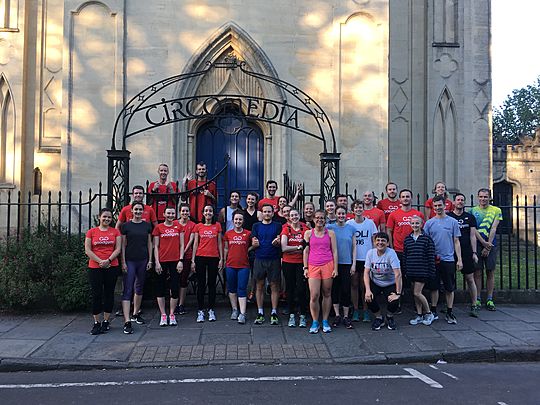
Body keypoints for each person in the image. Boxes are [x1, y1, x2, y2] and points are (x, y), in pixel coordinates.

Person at [424, 195, 463, 324]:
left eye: (440, 205)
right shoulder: (429, 223)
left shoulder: (453, 222)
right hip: (434, 260)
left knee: (449, 287)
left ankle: (450, 311)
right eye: (435, 206)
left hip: (448, 259)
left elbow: (456, 241)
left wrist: (459, 259)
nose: (437, 208)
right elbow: (426, 242)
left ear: (444, 205)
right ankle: (434, 310)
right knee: (434, 287)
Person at [85, 208, 122, 335]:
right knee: (96, 294)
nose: (107, 219)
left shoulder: (115, 232)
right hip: (95, 266)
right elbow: (88, 250)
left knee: (109, 293)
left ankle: (106, 321)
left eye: (109, 218)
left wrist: (108, 260)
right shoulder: (91, 232)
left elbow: (118, 249)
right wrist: (100, 261)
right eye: (104, 217)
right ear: (99, 217)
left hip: (112, 266)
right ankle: (96, 322)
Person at [120, 202, 153, 334]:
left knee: (139, 287)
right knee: (128, 288)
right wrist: (123, 261)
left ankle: (135, 313)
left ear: (143, 211)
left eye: (140, 209)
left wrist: (150, 260)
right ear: (132, 211)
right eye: (136, 209)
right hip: (130, 259)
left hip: (143, 259)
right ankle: (127, 321)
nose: (138, 211)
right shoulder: (126, 226)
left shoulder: (147, 225)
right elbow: (122, 245)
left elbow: (150, 243)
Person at [303, 210, 338, 333]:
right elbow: (306, 251)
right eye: (317, 218)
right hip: (313, 265)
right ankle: (315, 321)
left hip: (327, 264)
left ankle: (325, 320)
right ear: (313, 219)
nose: (319, 220)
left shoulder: (331, 233)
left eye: (322, 218)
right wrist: (305, 267)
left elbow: (334, 251)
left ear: (325, 220)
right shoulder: (308, 233)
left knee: (327, 293)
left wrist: (335, 268)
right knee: (314, 295)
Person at [470, 188, 502, 311]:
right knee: (477, 272)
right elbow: (473, 229)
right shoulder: (473, 211)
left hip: (491, 244)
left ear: (490, 197)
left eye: (486, 196)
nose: (483, 199)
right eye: (481, 196)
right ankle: (477, 298)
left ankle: (489, 299)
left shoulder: (496, 210)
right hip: (477, 244)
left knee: (490, 272)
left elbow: (494, 228)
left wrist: (488, 246)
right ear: (478, 197)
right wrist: (483, 243)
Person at [448, 193, 480, 317]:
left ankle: (474, 305)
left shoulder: (470, 217)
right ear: (454, 202)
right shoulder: (449, 217)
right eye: (458, 200)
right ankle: (449, 306)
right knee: (450, 280)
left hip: (466, 251)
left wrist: (474, 252)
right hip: (451, 251)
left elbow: (473, 235)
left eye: (462, 200)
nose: (460, 202)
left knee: (470, 279)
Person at [251, 204, 283, 325]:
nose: (267, 213)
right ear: (262, 213)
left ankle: (274, 312)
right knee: (259, 285)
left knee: (274, 285)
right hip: (259, 258)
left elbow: (280, 240)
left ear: (273, 213)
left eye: (269, 211)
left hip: (274, 258)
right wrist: (254, 243)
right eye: (265, 211)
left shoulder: (278, 226)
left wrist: (278, 242)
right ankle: (260, 312)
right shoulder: (256, 226)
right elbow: (253, 241)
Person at [346, 200, 378, 323]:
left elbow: (374, 241)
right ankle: (355, 309)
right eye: (356, 208)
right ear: (353, 210)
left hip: (366, 258)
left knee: (365, 285)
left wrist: (375, 257)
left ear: (363, 209)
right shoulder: (349, 223)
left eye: (360, 207)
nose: (358, 209)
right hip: (354, 259)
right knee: (354, 284)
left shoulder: (370, 223)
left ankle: (365, 310)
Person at [386, 189, 424, 290]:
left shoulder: (418, 214)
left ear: (411, 198)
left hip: (414, 250)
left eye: (407, 196)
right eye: (403, 197)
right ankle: (399, 296)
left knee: (412, 274)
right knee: (399, 274)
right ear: (400, 199)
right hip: (398, 250)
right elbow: (389, 231)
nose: (405, 199)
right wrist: (391, 247)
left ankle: (414, 297)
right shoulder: (393, 214)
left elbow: (422, 231)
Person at [363, 232, 402, 331]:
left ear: (388, 243)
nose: (380, 243)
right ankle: (379, 317)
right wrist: (368, 290)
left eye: (383, 241)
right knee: (368, 298)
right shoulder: (370, 253)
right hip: (376, 282)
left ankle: (389, 316)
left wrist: (398, 293)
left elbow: (398, 274)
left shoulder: (391, 253)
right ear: (374, 242)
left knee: (394, 300)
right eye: (378, 240)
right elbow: (366, 272)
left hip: (390, 282)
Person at [153, 207, 184, 326]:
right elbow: (156, 246)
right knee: (160, 288)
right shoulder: (158, 227)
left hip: (175, 261)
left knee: (175, 288)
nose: (171, 215)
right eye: (168, 213)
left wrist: (180, 260)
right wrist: (157, 262)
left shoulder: (178, 227)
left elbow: (182, 245)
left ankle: (172, 314)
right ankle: (163, 314)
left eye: (172, 213)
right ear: (164, 214)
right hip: (162, 261)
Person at [191, 205, 224, 322]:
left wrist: (221, 259)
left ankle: (211, 309)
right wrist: (193, 260)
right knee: (201, 284)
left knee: (211, 284)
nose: (208, 213)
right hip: (200, 256)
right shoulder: (198, 226)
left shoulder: (217, 226)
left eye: (210, 211)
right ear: (203, 213)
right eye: (206, 211)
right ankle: (200, 310)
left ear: (212, 213)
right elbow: (195, 243)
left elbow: (220, 243)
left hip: (213, 257)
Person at [326, 206, 356, 329]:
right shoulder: (330, 228)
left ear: (346, 215)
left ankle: (346, 316)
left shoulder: (351, 228)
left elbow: (354, 247)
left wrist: (353, 263)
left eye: (343, 213)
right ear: (336, 214)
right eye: (339, 213)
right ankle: (337, 315)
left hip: (346, 263)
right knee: (334, 289)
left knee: (346, 289)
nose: (341, 216)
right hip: (333, 263)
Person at [403, 215, 436, 326]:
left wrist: (431, 271)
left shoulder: (427, 239)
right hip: (412, 270)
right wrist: (406, 270)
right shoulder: (408, 239)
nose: (415, 225)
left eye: (417, 223)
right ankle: (419, 314)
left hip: (422, 271)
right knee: (415, 294)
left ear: (421, 224)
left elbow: (431, 256)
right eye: (413, 223)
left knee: (417, 293)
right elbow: (405, 256)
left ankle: (429, 313)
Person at [281, 208, 309, 328]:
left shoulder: (305, 228)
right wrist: (298, 247)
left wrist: (296, 247)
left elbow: (308, 245)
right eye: (292, 215)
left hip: (302, 262)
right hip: (288, 262)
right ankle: (292, 315)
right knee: (290, 289)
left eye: (296, 215)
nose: (294, 217)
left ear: (299, 215)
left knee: (302, 289)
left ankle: (302, 315)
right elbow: (284, 248)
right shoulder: (286, 229)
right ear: (289, 217)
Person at [223, 210, 252, 324]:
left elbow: (253, 245)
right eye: (236, 219)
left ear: (243, 221)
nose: (238, 221)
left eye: (240, 219)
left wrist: (247, 250)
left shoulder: (248, 234)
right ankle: (235, 309)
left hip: (244, 266)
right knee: (232, 288)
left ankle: (242, 313)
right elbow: (226, 248)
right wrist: (224, 260)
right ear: (233, 220)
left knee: (242, 288)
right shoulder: (228, 234)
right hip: (230, 264)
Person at [176, 203, 196, 315]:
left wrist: (182, 253)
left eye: (187, 211)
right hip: (174, 256)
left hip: (187, 255)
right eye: (183, 211)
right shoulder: (174, 223)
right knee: (174, 280)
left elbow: (191, 241)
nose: (185, 213)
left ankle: (181, 304)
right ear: (179, 212)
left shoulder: (192, 225)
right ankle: (174, 301)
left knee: (184, 280)